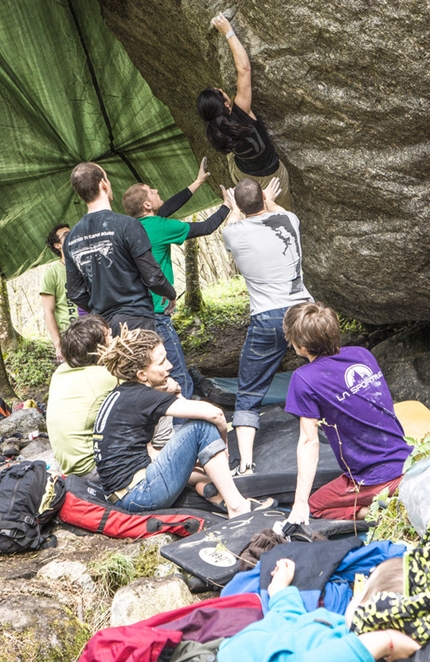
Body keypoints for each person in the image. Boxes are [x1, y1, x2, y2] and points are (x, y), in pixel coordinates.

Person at [93, 325, 276, 518]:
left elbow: (150, 453)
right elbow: (215, 415)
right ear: (142, 375)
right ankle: (237, 507)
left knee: (199, 465)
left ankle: (214, 493)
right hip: (139, 494)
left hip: (123, 495)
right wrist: (223, 445)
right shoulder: (143, 397)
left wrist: (177, 393)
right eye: (162, 362)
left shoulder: (124, 394)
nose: (170, 366)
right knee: (201, 426)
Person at [283, 302, 412, 523]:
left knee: (317, 507)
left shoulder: (304, 378)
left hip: (375, 479)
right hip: (407, 461)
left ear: (300, 345)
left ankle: (384, 514)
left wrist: (300, 503)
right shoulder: (362, 354)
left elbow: (308, 441)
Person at [223, 177, 313, 475]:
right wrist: (269, 198)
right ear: (263, 196)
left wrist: (234, 206)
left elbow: (235, 219)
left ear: (239, 204)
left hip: (267, 317)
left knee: (249, 389)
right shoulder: (288, 219)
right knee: (325, 368)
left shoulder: (233, 233)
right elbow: (273, 210)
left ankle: (246, 464)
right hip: (302, 310)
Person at [122, 157, 231, 398]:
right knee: (177, 370)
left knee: (151, 368)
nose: (157, 190)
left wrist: (198, 182)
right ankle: (188, 420)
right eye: (152, 191)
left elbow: (167, 207)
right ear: (147, 205)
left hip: (135, 312)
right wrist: (227, 206)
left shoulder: (131, 227)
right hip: (158, 312)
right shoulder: (161, 228)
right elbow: (206, 228)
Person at [217, 556, 420, 662]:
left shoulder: (346, 651)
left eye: (361, 592)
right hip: (230, 648)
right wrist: (280, 591)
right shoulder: (337, 626)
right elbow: (295, 625)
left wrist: (383, 642)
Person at [64, 162, 176, 337]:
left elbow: (75, 292)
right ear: (103, 184)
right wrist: (170, 294)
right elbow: (153, 276)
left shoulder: (70, 239)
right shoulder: (127, 225)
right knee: (151, 364)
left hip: (104, 329)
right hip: (137, 320)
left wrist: (98, 308)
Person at [197, 13, 291, 210]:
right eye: (221, 92)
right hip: (270, 177)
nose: (223, 90)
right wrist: (228, 31)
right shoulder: (241, 111)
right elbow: (244, 69)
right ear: (225, 105)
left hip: (242, 173)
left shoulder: (212, 131)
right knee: (281, 212)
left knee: (229, 146)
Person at [46, 315, 116, 480]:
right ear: (98, 349)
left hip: (69, 469)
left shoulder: (61, 371)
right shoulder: (103, 376)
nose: (115, 340)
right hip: (93, 471)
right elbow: (146, 385)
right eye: (110, 336)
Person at [40, 224, 78, 363]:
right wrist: (58, 344)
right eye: (67, 235)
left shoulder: (86, 266)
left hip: (93, 331)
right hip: (69, 335)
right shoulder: (52, 273)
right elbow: (48, 312)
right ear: (58, 245)